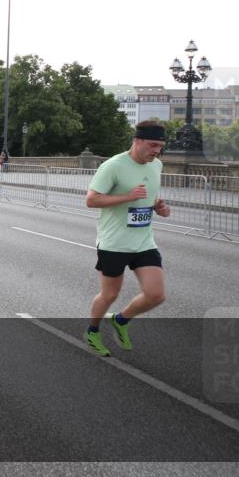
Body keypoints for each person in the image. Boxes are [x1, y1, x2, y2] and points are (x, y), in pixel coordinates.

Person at [83, 120, 171, 357]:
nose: (156, 151)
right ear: (137, 140)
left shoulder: (157, 165)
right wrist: (127, 197)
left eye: (160, 146)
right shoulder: (113, 166)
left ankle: (121, 320)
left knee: (156, 295)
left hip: (143, 241)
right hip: (114, 242)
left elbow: (148, 198)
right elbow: (91, 200)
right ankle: (92, 331)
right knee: (110, 294)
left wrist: (159, 207)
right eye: (152, 145)